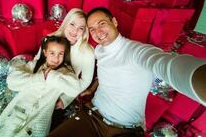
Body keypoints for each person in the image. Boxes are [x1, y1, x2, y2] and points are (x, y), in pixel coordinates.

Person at [48, 7, 206, 137]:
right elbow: (110, 73)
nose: (98, 32)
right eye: (92, 29)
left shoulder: (137, 51)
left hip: (125, 130)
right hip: (91, 117)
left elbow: (166, 65)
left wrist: (197, 77)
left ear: (114, 22)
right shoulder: (98, 50)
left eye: (102, 23)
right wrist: (94, 86)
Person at [0, 36, 83, 137]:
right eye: (52, 53)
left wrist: (64, 98)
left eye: (60, 54)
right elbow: (12, 82)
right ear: (45, 53)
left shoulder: (65, 73)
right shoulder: (34, 65)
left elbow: (75, 88)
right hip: (15, 114)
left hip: (38, 122)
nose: (56, 58)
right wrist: (40, 77)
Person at [34, 8, 95, 109]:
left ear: (85, 31)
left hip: (62, 91)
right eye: (72, 24)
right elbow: (37, 61)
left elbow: (85, 80)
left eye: (81, 28)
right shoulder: (50, 38)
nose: (75, 31)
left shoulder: (87, 51)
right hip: (40, 82)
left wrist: (65, 99)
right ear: (66, 23)